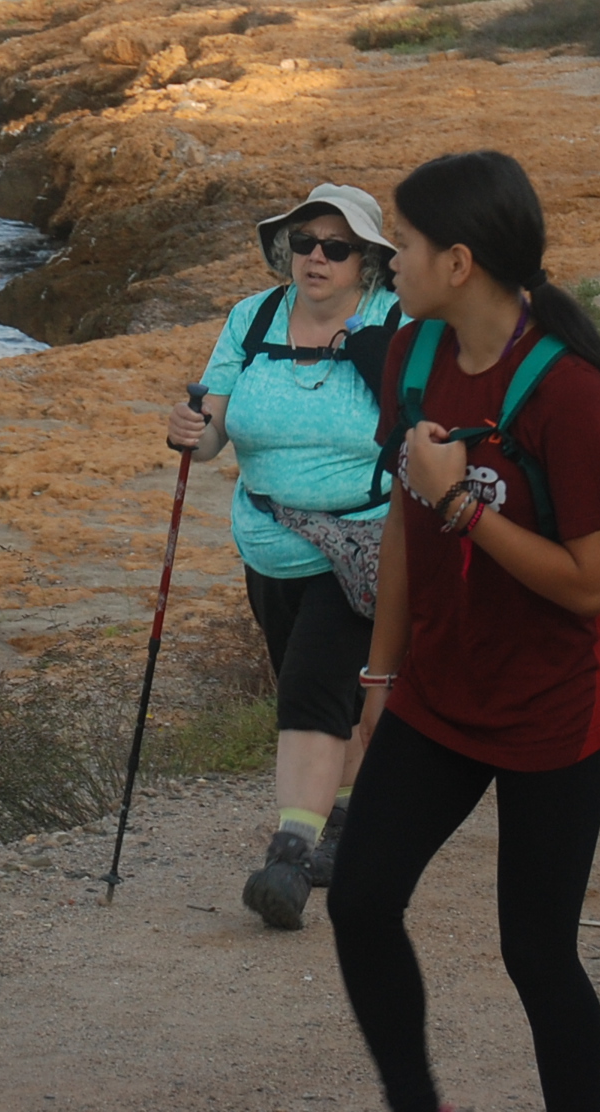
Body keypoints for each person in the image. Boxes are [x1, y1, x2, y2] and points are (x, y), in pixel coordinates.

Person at [325, 151, 600, 1112]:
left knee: (536, 954)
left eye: (403, 244)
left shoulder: (568, 389)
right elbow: (403, 523)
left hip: (553, 711)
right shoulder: (411, 356)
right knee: (359, 901)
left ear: (458, 262)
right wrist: (379, 681)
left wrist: (462, 505)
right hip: (438, 692)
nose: (388, 262)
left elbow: (589, 586)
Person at [165, 182, 405, 929]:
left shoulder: (397, 320)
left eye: (336, 247)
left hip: (365, 540)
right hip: (268, 540)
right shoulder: (254, 317)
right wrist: (189, 432)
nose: (316, 258)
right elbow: (212, 434)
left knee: (310, 687)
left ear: (367, 261)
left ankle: (289, 856)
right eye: (304, 243)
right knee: (329, 699)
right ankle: (346, 824)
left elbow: (425, 419)